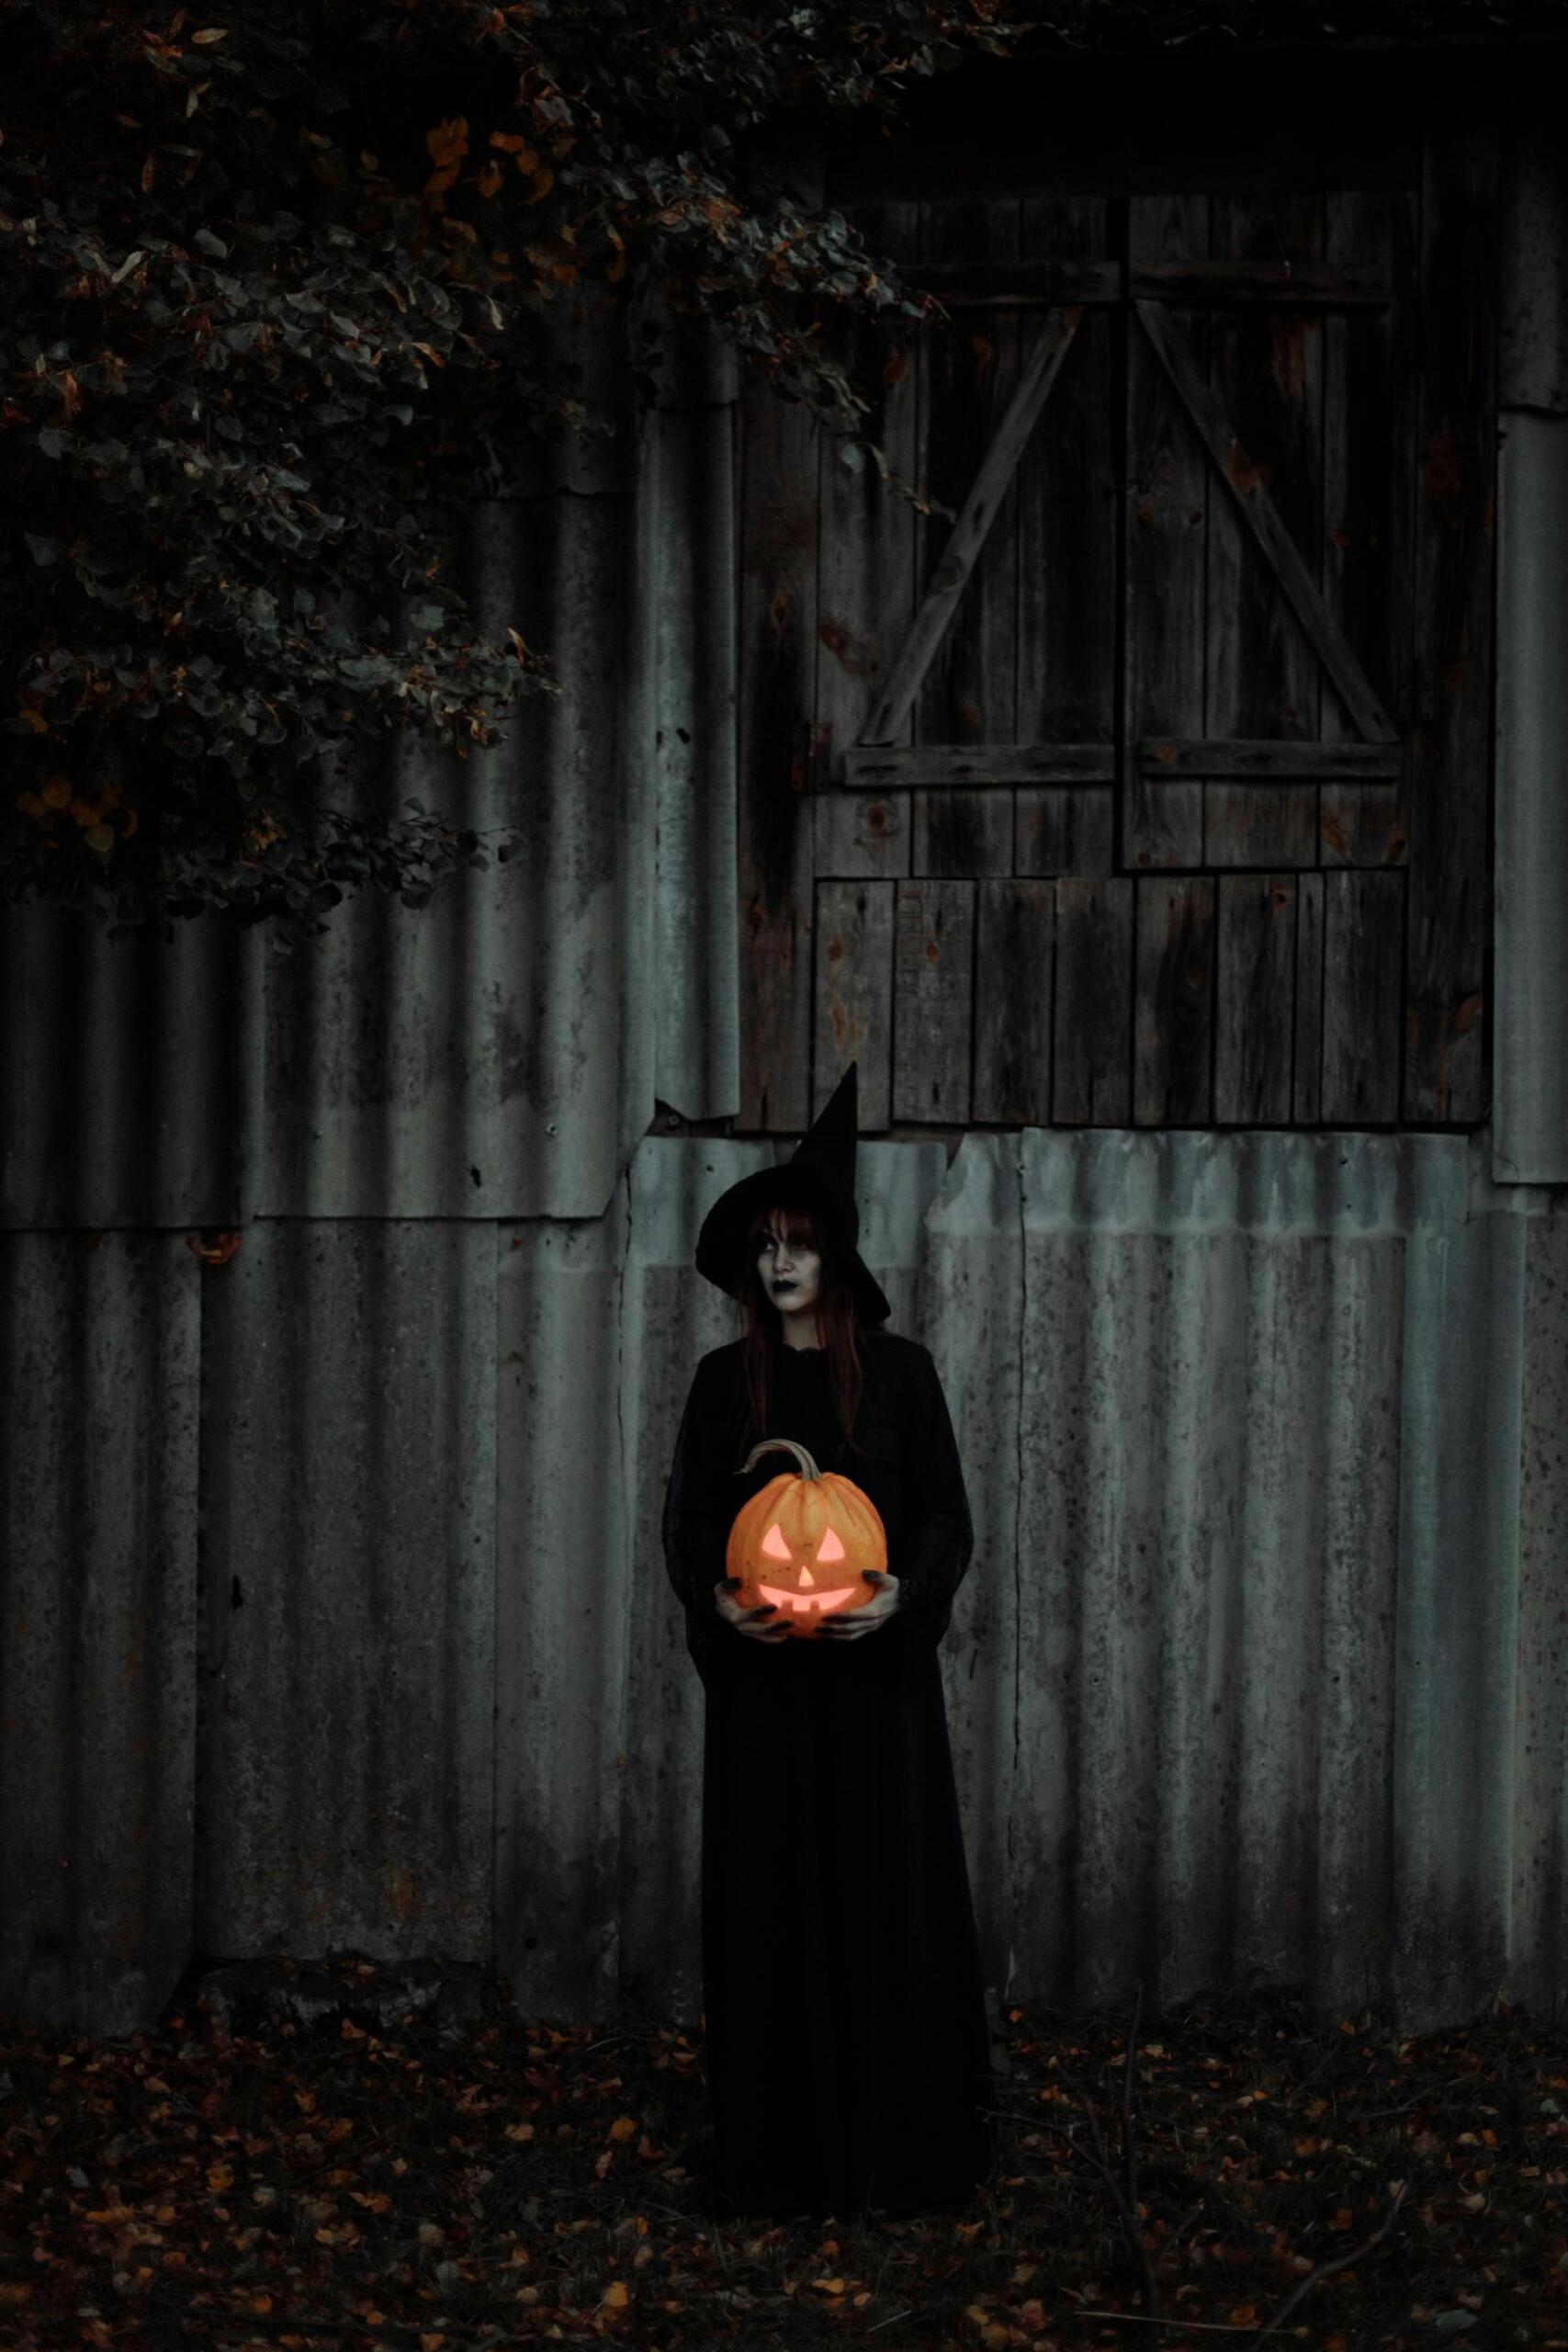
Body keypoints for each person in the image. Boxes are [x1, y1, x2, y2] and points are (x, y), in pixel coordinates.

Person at [661, 1060, 998, 2223]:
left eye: (799, 1240)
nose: (779, 1262)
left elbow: (948, 1515)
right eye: (764, 1244)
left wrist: (908, 1598)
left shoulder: (900, 1377)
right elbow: (698, 1520)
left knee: (881, 1901)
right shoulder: (724, 1384)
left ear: (837, 1254)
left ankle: (900, 2155)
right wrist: (718, 1601)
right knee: (773, 1906)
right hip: (767, 1695)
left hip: (876, 1693)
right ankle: (781, 2158)